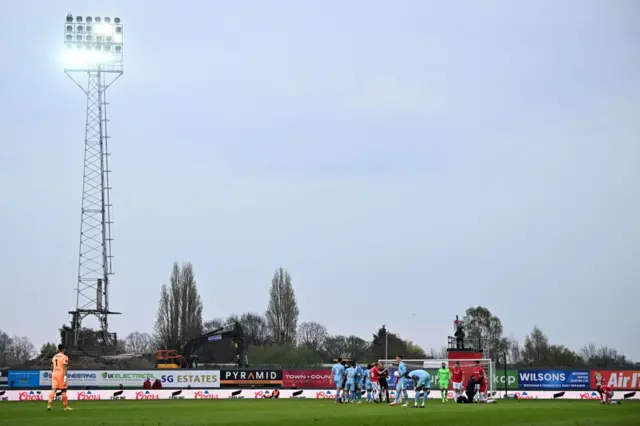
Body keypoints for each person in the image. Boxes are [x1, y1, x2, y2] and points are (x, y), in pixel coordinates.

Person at [47, 344, 72, 411]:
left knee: (54, 389)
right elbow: (65, 367)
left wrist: (53, 372)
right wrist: (65, 376)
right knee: (63, 390)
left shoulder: (54, 356)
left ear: (58, 349)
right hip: (61, 374)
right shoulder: (65, 357)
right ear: (63, 349)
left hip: (54, 373)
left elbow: (51, 366)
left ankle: (49, 405)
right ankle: (65, 407)